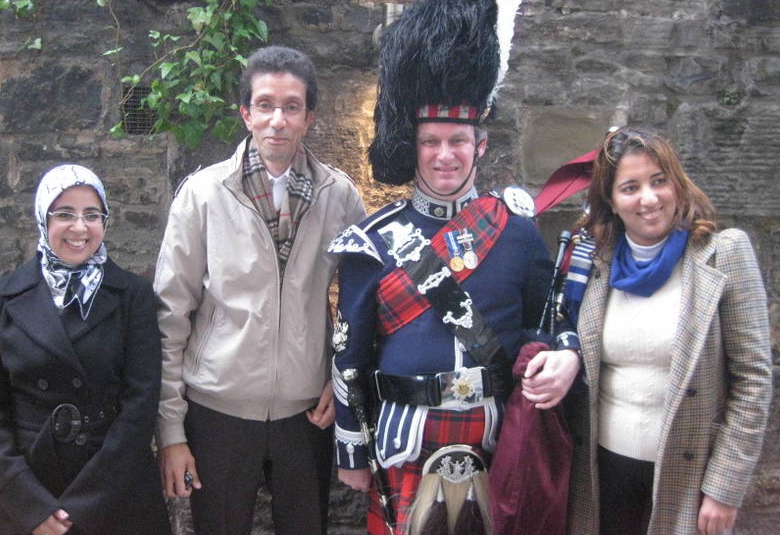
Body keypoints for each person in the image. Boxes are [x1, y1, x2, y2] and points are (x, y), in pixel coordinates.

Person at [328, 1, 581, 533]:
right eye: (431, 141)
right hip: (405, 434)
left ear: (480, 145)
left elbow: (547, 319)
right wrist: (351, 451)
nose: (445, 155)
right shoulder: (372, 242)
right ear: (414, 147)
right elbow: (349, 356)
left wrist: (566, 355)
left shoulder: (516, 232)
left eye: (458, 141)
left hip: (495, 434)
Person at [154, 45, 366, 535]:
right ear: (246, 113)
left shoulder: (340, 196)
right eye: (265, 105)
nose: (278, 120)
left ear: (309, 118)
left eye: (292, 107)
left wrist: (342, 378)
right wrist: (170, 429)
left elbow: (365, 300)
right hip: (217, 411)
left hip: (305, 414)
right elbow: (170, 314)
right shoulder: (203, 195)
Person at [565, 126, 773, 535]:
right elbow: (568, 339)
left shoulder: (724, 254)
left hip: (687, 476)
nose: (648, 198)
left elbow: (753, 380)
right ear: (611, 200)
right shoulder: (595, 262)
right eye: (630, 188)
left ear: (677, 183)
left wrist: (725, 489)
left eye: (658, 181)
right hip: (602, 473)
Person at [0, 165, 171, 535]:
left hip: (116, 490)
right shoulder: (5, 297)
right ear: (42, 219)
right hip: (28, 491)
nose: (80, 228)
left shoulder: (133, 296)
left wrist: (84, 505)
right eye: (65, 214)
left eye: (92, 215)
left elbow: (141, 403)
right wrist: (28, 505)